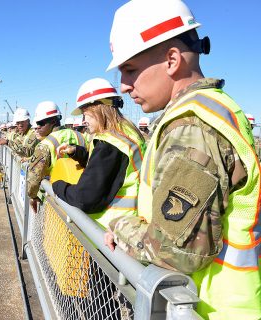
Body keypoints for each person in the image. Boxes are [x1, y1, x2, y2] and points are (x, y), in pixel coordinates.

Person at [103, 0, 261, 318]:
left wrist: (120, 226)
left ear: (172, 59)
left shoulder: (193, 125)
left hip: (209, 309)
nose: (123, 85)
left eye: (130, 69)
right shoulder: (208, 111)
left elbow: (177, 252)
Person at [53, 78, 146, 229]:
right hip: (127, 225)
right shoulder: (126, 133)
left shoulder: (109, 144)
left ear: (98, 108)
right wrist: (76, 152)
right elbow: (108, 167)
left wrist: (56, 185)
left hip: (108, 231)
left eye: (85, 113)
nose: (83, 120)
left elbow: (85, 198)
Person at [26, 101, 86, 210]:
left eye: (41, 123)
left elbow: (34, 177)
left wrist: (32, 196)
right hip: (81, 196)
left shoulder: (44, 145)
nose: (37, 127)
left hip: (57, 199)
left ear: (53, 121)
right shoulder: (81, 136)